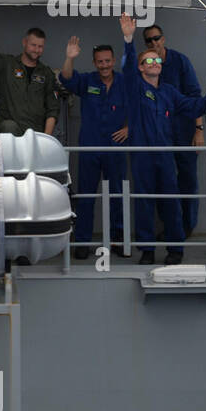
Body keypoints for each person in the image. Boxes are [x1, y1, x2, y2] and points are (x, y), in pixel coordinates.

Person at [118, 14, 206, 265]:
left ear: (161, 66)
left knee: (171, 203)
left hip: (165, 155)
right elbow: (129, 65)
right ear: (141, 67)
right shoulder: (134, 88)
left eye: (156, 60)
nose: (153, 62)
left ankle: (176, 249)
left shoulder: (168, 92)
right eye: (147, 60)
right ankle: (148, 250)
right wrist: (129, 39)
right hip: (142, 156)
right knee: (143, 204)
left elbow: (192, 105)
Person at [59, 38, 129, 259]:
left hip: (116, 149)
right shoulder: (88, 81)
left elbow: (139, 107)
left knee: (117, 195)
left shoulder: (126, 83)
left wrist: (130, 127)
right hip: (90, 148)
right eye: (100, 62)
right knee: (86, 196)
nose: (104, 65)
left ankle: (118, 241)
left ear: (114, 61)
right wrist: (69, 58)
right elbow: (67, 78)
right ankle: (82, 242)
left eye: (108, 61)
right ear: (94, 62)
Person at [142, 24, 204, 237]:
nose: (154, 43)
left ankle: (186, 227)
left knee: (187, 180)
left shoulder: (180, 62)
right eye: (149, 40)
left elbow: (195, 96)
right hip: (158, 136)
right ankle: (169, 227)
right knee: (163, 183)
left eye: (156, 38)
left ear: (163, 38)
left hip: (184, 132)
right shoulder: (144, 67)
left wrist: (199, 130)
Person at [0, 4, 59, 136]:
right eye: (33, 45)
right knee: (9, 126)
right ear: (24, 42)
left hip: (36, 135)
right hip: (11, 136)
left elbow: (53, 110)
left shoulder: (46, 73)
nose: (37, 50)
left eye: (40, 46)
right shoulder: (7, 64)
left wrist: (45, 139)